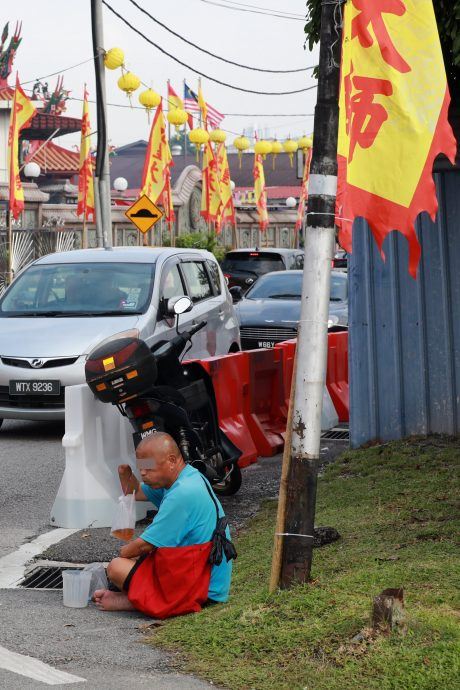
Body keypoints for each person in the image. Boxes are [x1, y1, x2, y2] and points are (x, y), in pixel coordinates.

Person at [93, 432, 235, 617]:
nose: (143, 473)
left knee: (116, 567)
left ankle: (138, 600)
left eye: (149, 467)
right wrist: (126, 476)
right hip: (198, 571)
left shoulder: (182, 494)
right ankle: (138, 598)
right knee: (132, 561)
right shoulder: (187, 476)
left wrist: (122, 555)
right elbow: (137, 493)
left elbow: (144, 545)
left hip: (203, 588)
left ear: (171, 460)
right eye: (141, 467)